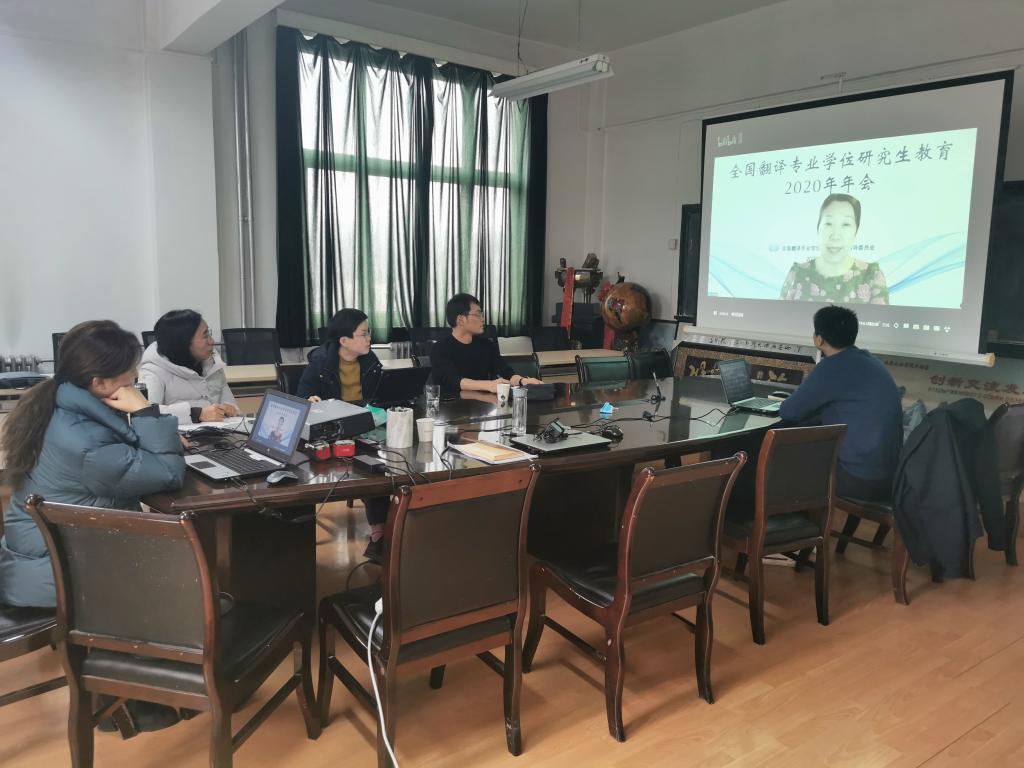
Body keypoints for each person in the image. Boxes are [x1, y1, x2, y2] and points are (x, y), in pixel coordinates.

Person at [0, 320, 186, 731]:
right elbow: (168, 474)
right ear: (99, 382)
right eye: (129, 373)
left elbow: (124, 461)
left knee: (161, 560)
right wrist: (147, 414)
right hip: (54, 572)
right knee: (173, 569)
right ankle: (126, 698)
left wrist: (147, 433)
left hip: (39, 556)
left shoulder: (58, 403)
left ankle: (143, 678)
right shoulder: (81, 439)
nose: (135, 378)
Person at [779, 306, 903, 500]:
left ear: (818, 339)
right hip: (891, 477)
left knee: (777, 456)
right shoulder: (871, 361)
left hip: (858, 479)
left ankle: (784, 514)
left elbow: (789, 411)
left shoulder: (832, 367)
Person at [297, 308, 389, 562]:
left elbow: (379, 397)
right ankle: (380, 531)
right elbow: (301, 397)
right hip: (332, 433)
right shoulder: (320, 363)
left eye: (368, 332)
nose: (369, 338)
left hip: (366, 428)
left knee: (377, 465)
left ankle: (382, 531)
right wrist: (310, 400)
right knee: (368, 464)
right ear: (344, 340)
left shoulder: (370, 361)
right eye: (364, 333)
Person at [780, 193, 889, 305]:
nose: (835, 235)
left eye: (846, 224)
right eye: (828, 223)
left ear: (856, 232)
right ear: (818, 228)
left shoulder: (871, 276)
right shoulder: (797, 273)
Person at [138, 309, 238, 424]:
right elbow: (146, 413)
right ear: (183, 342)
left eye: (209, 333)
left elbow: (230, 403)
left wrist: (229, 409)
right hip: (180, 434)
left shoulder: (213, 364)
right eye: (205, 335)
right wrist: (197, 414)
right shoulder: (153, 370)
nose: (211, 341)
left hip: (219, 431)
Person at [429, 293, 542, 394]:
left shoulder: (486, 345)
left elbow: (505, 372)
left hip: (482, 405)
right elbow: (452, 380)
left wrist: (523, 381)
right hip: (452, 406)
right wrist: (489, 385)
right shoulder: (440, 348)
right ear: (461, 320)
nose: (483, 319)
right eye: (478, 315)